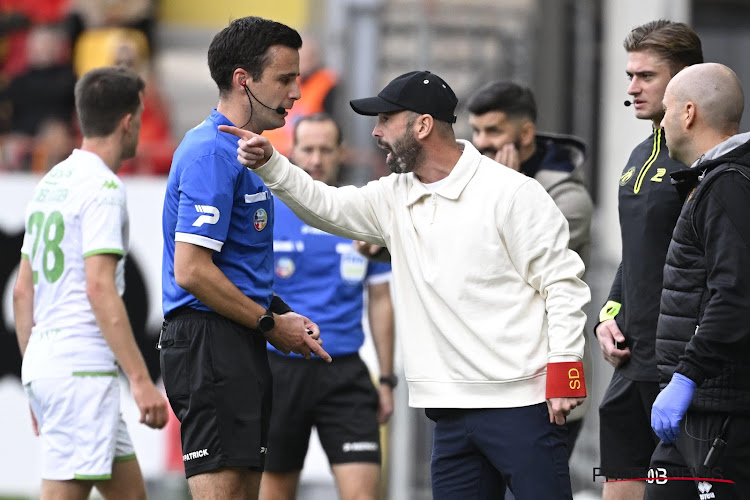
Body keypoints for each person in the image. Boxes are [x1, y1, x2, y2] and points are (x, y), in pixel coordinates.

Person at [221, 70, 590, 499]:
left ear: (423, 125)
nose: (375, 132)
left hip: (522, 406)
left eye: (385, 120)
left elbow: (562, 281)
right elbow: (327, 205)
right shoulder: (393, 193)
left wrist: (566, 364)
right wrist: (272, 163)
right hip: (448, 415)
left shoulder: (512, 193)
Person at [158, 16, 330, 500]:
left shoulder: (248, 153)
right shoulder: (212, 152)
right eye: (284, 79)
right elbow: (191, 271)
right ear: (243, 80)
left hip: (237, 338)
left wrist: (277, 313)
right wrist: (273, 326)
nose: (296, 93)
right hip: (209, 341)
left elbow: (231, 265)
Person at [12, 65, 168, 500]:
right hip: (82, 372)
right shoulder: (103, 188)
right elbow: (99, 288)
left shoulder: (51, 182)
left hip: (52, 364)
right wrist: (139, 379)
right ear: (128, 121)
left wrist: (35, 373)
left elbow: (22, 292)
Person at [594, 20, 703, 499]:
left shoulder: (703, 161)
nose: (633, 88)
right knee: (616, 488)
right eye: (630, 76)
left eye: (646, 77)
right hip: (630, 366)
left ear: (682, 83)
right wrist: (609, 315)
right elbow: (634, 251)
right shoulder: (641, 151)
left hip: (678, 370)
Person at [261, 113, 395, 500]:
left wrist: (385, 380)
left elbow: (381, 301)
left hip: (344, 370)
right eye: (308, 149)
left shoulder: (360, 211)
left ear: (341, 154)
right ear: (292, 153)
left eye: (325, 149)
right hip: (279, 370)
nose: (316, 159)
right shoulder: (264, 211)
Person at [466, 81, 593, 458]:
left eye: (493, 130)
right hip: (483, 382)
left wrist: (504, 190)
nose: (482, 142)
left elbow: (498, 263)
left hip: (544, 389)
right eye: (476, 131)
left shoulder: (569, 198)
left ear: (525, 134)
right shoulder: (474, 181)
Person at [646, 62, 750, 499]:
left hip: (718, 412)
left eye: (667, 110)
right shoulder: (712, 181)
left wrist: (687, 377)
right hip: (696, 412)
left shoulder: (728, 185)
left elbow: (737, 294)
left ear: (688, 113)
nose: (662, 121)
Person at [262, 34, 338, 157]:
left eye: (308, 57)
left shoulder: (326, 83)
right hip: (275, 148)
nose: (303, 62)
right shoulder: (285, 80)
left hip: (302, 150)